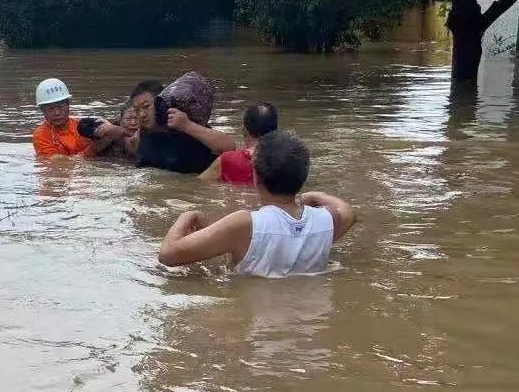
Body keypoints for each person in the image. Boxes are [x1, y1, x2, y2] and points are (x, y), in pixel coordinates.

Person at [158, 130, 357, 276]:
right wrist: (315, 196)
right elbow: (347, 211)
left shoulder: (245, 224)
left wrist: (187, 216)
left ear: (255, 176)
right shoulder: (326, 221)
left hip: (256, 322)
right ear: (303, 176)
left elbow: (168, 255)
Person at [131, 71, 217, 174]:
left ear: (161, 103)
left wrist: (187, 126)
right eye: (137, 110)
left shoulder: (184, 126)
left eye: (146, 107)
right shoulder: (142, 134)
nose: (141, 114)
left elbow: (229, 147)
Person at [31, 78, 123, 158]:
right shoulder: (41, 136)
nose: (57, 113)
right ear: (43, 111)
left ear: (68, 105)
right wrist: (95, 146)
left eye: (61, 106)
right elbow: (59, 164)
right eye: (50, 109)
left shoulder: (83, 125)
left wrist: (111, 128)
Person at [191, 101, 279, 185]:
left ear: (245, 129)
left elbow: (199, 184)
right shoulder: (287, 159)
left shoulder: (227, 160)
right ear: (275, 130)